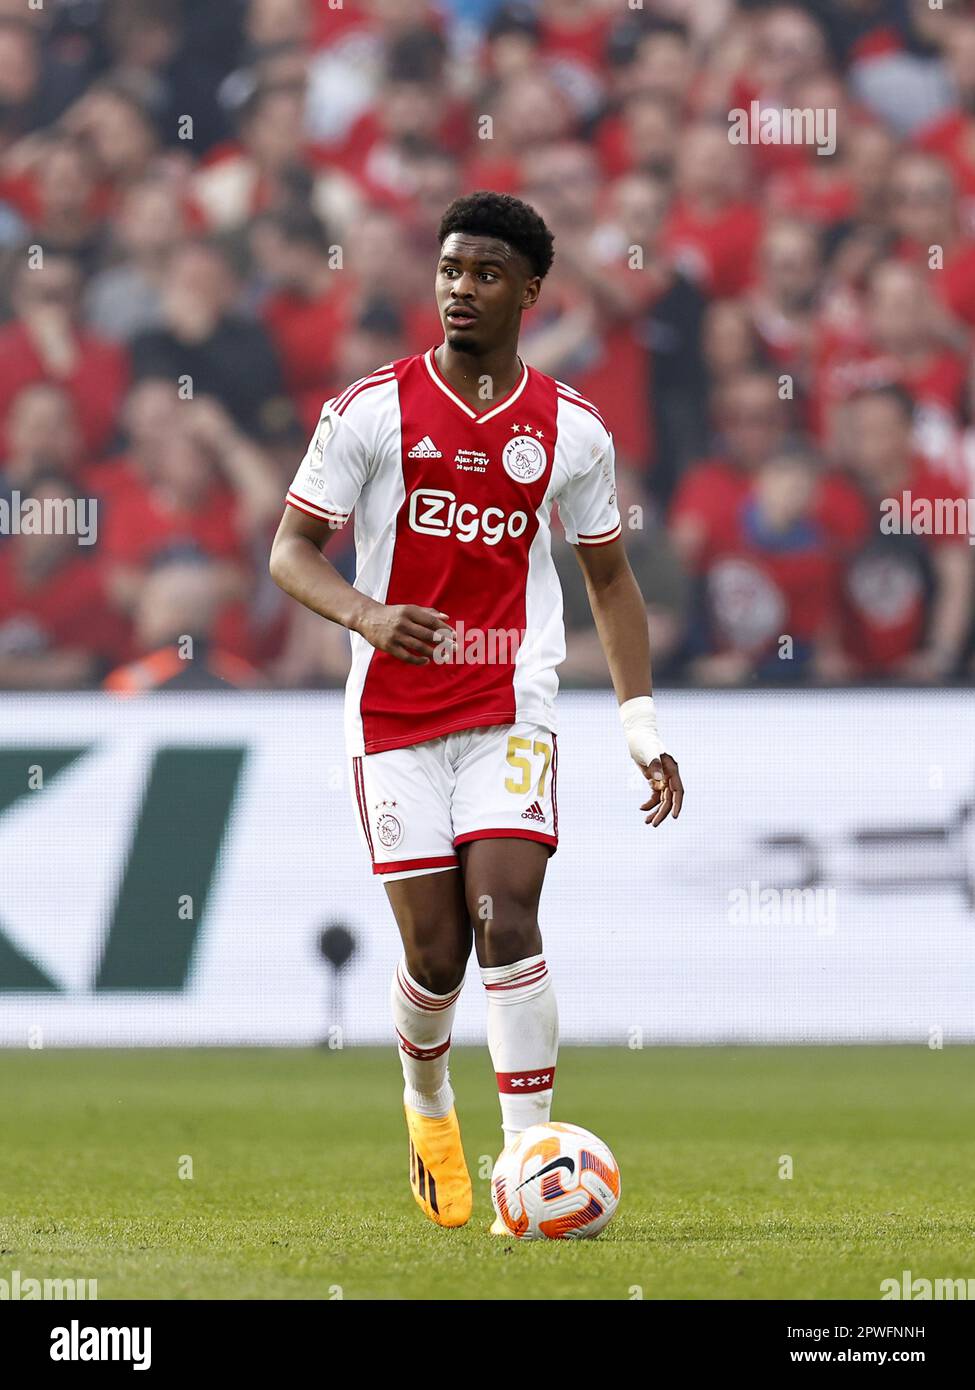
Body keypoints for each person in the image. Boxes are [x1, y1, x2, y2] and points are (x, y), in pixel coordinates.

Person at [269, 190, 684, 1233]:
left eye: (486, 273)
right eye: (451, 269)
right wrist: (366, 613)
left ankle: (527, 1170)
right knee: (437, 954)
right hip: (395, 720)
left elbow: (610, 580)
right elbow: (288, 551)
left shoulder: (572, 431)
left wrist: (640, 722)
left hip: (512, 708)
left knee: (508, 913)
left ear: (530, 292)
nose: (461, 288)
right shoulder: (372, 409)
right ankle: (426, 1102)